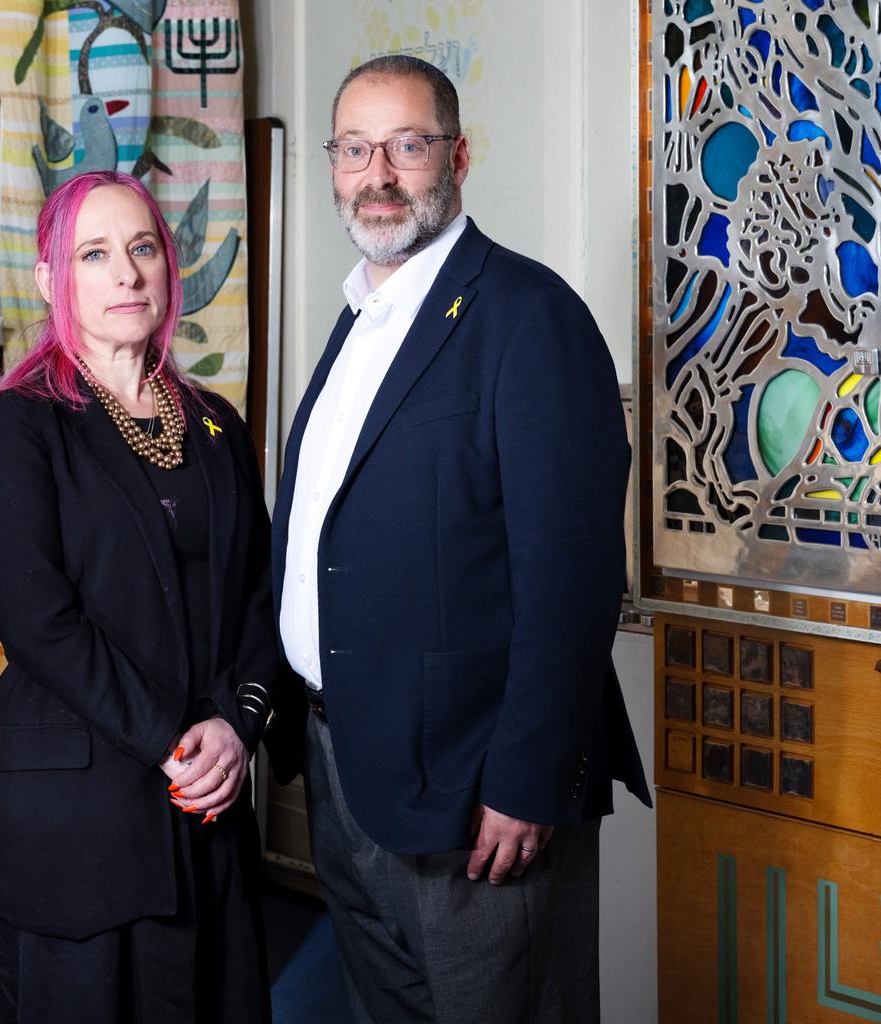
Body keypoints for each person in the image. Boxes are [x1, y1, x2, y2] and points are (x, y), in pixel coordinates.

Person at [272, 55, 651, 1023]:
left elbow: (571, 578)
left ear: (457, 156)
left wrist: (526, 782)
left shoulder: (528, 316)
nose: (378, 175)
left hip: (477, 788)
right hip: (346, 765)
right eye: (354, 149)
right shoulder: (361, 319)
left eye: (407, 145)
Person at [0, 170, 279, 1023]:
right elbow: (38, 624)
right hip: (82, 808)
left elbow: (261, 594)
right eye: (93, 254)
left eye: (142, 248)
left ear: (169, 265)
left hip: (206, 792)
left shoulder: (216, 423)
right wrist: (172, 742)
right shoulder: (20, 425)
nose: (127, 273)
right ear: (49, 279)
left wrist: (238, 726)